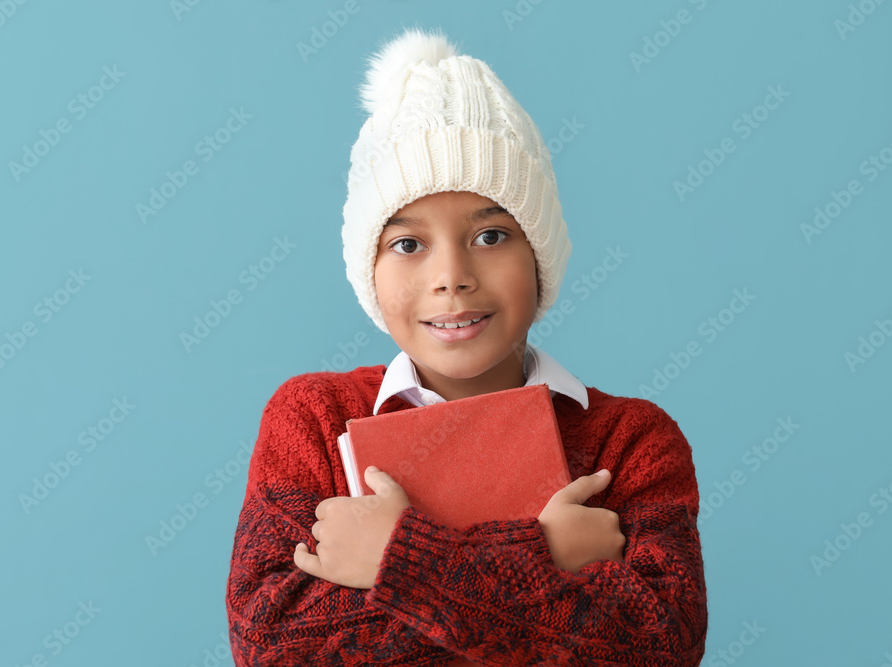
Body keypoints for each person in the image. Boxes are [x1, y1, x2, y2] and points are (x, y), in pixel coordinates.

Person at [225, 26, 707, 666]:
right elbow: (273, 645)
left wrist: (396, 559)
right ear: (370, 271)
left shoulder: (631, 442)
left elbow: (657, 647)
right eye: (407, 244)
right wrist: (543, 556)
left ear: (540, 258)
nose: (451, 275)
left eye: (490, 236)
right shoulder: (312, 420)